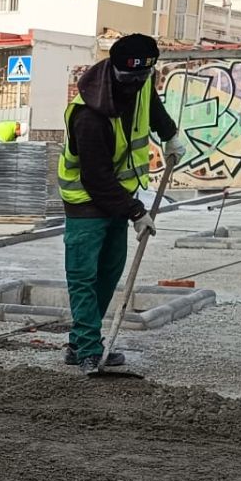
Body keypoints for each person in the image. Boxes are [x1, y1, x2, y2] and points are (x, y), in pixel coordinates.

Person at [57, 33, 188, 374]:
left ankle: (79, 343)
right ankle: (87, 348)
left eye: (143, 77)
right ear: (114, 71)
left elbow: (152, 106)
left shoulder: (141, 81)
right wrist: (136, 213)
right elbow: (96, 179)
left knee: (109, 273)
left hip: (120, 197)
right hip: (86, 201)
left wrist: (170, 135)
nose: (136, 85)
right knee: (84, 276)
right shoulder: (89, 114)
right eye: (130, 79)